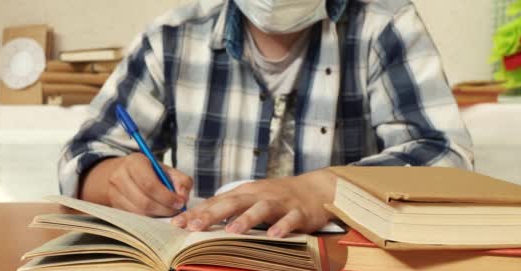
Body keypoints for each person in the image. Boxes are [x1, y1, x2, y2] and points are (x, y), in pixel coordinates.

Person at [58, 0, 473, 238]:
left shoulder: (386, 25)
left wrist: (325, 190)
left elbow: (448, 158)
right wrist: (115, 180)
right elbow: (84, 155)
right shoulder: (173, 35)